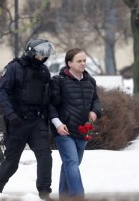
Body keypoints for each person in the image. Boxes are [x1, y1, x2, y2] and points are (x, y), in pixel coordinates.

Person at [0, 39, 55, 200]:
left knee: (45, 156)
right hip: (17, 121)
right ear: (31, 52)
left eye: (44, 56)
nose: (42, 58)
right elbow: (2, 93)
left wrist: (48, 121)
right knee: (12, 162)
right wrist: (11, 116)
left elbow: (47, 97)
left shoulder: (44, 71)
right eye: (40, 55)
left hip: (36, 121)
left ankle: (45, 193)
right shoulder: (14, 68)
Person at [48, 48, 103, 200]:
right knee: (71, 161)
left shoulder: (90, 81)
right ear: (69, 63)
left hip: (83, 130)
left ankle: (64, 196)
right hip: (63, 130)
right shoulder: (58, 81)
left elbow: (96, 100)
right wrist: (57, 124)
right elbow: (50, 105)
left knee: (71, 163)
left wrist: (95, 112)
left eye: (84, 60)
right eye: (79, 61)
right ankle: (78, 196)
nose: (83, 63)